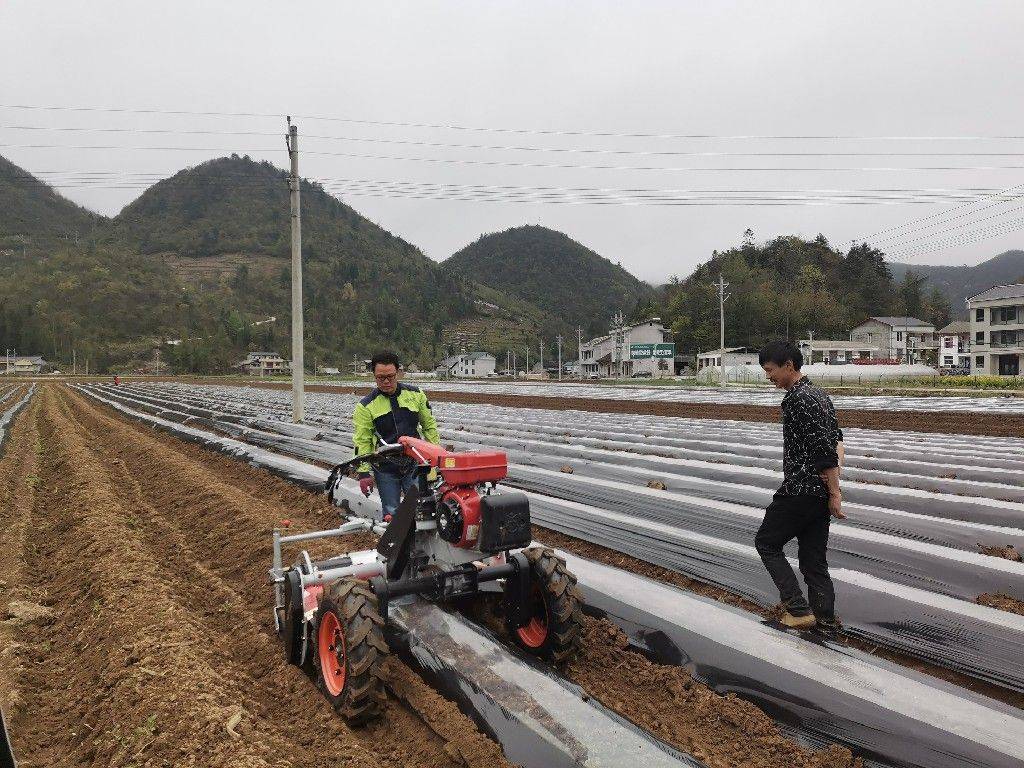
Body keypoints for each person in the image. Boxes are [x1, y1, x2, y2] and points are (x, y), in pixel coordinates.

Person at [755, 340, 844, 636]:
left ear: (788, 367)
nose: (768, 376)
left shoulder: (797, 399)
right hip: (817, 493)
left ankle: (797, 609)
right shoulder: (819, 395)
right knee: (813, 561)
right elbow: (837, 441)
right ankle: (827, 625)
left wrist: (835, 492)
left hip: (800, 489)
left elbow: (823, 450)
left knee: (767, 543)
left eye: (770, 370)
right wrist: (831, 487)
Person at [353, 350, 440, 520]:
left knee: (421, 508)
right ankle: (397, 544)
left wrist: (436, 458)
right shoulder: (365, 406)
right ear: (374, 376)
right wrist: (364, 473)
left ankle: (419, 544)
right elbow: (363, 441)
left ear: (398, 372)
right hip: (385, 466)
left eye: (390, 377)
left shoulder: (416, 395)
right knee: (392, 512)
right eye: (380, 378)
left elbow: (429, 426)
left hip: (414, 463)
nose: (386, 382)